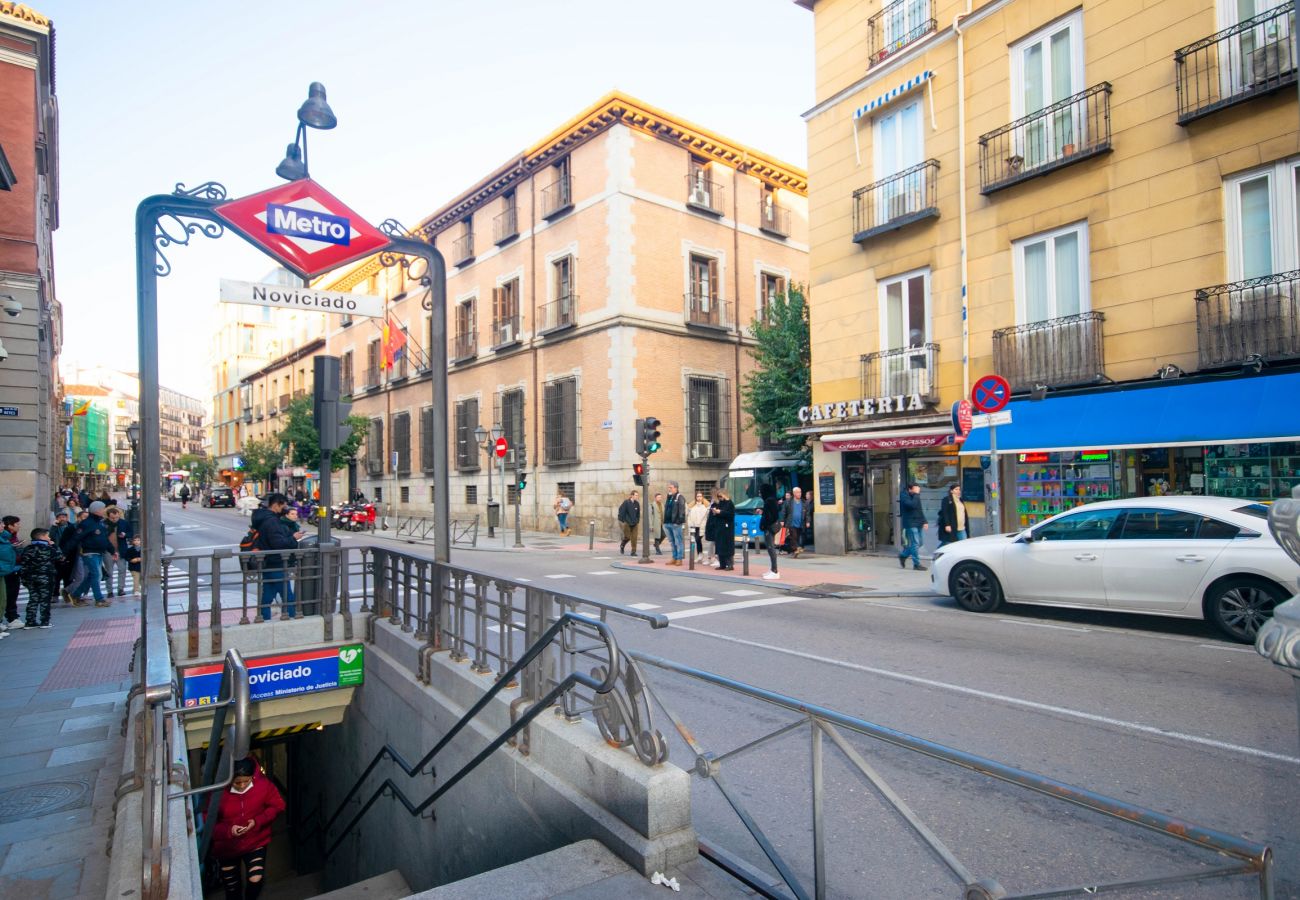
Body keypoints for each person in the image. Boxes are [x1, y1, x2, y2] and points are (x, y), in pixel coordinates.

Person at [210, 757, 285, 900]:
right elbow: (207, 821)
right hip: (227, 847)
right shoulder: (217, 792)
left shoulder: (263, 785)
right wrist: (229, 830)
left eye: (247, 781)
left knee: (255, 880)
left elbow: (278, 805)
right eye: (237, 782)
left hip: (255, 841)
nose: (242, 786)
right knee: (232, 888)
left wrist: (257, 821)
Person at [251, 494, 301, 621]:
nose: (285, 508)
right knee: (288, 597)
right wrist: (293, 538)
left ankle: (264, 619)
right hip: (276, 562)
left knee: (267, 596)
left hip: (268, 562)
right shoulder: (271, 521)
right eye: (283, 505)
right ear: (276, 505)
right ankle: (292, 620)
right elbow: (278, 543)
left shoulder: (264, 518)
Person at [72, 501, 114, 606]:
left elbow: (104, 539)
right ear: (97, 510)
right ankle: (99, 599)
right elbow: (75, 538)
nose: (104, 511)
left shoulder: (100, 523)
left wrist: (112, 550)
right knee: (96, 575)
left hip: (99, 552)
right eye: (103, 509)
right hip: (89, 552)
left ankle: (75, 595)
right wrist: (64, 552)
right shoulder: (86, 523)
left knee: (93, 576)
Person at [19, 528, 60, 630]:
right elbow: (60, 557)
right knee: (45, 599)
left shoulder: (28, 549)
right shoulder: (48, 549)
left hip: (30, 578)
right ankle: (44, 621)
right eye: (47, 536)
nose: (49, 538)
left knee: (33, 599)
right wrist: (54, 545)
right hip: (45, 577)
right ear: (42, 537)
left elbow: (23, 563)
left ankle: (30, 621)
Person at [898, 483, 928, 571]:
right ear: (910, 489)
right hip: (910, 523)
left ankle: (903, 555)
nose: (918, 491)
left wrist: (924, 521)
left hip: (918, 522)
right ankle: (916, 564)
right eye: (916, 489)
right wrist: (916, 494)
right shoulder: (904, 496)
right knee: (915, 543)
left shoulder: (916, 496)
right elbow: (912, 505)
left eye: (918, 489)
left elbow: (919, 508)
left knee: (920, 543)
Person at [104, 506, 132, 597]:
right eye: (112, 518)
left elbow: (131, 533)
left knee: (122, 570)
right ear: (108, 517)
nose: (115, 519)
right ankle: (109, 591)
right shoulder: (104, 524)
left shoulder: (123, 523)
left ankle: (121, 589)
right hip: (108, 551)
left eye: (117, 517)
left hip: (120, 550)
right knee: (109, 572)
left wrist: (125, 535)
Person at [1, 516, 24, 626]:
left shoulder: (9, 536)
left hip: (13, 568)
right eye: (17, 524)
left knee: (11, 594)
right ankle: (11, 617)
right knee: (7, 595)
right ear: (10, 526)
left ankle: (12, 616)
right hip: (7, 569)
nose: (19, 526)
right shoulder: (5, 538)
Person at [49, 510, 75, 602]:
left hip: (69, 554)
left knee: (68, 577)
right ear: (57, 519)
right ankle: (54, 595)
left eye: (64, 517)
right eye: (60, 517)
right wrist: (54, 526)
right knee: (56, 577)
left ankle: (67, 595)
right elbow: (50, 537)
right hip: (57, 554)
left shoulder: (71, 526)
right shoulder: (54, 528)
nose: (62, 519)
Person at [759, 484, 781, 580]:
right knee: (770, 548)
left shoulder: (769, 501)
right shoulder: (772, 500)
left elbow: (771, 516)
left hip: (769, 527)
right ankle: (772, 569)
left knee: (770, 548)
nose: (760, 493)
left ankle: (774, 570)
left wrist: (765, 524)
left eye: (761, 491)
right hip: (771, 526)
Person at [710, 488, 736, 570]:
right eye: (718, 496)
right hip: (719, 527)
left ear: (725, 495)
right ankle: (722, 564)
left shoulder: (730, 504)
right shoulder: (720, 503)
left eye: (720, 496)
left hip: (727, 528)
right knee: (719, 546)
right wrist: (714, 511)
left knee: (727, 546)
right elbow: (716, 509)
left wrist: (720, 512)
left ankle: (730, 564)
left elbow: (730, 515)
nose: (719, 498)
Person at [782, 487, 808, 559]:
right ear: (794, 493)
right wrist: (782, 520)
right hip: (791, 522)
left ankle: (794, 551)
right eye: (798, 492)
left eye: (800, 492)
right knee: (794, 536)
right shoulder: (788, 502)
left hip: (800, 523)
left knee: (797, 537)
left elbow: (807, 513)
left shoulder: (804, 502)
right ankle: (797, 548)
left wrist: (808, 521)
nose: (799, 493)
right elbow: (783, 511)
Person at [687, 491, 710, 563]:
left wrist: (703, 524)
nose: (699, 498)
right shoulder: (693, 506)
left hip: (702, 526)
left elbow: (706, 517)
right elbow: (689, 515)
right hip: (694, 526)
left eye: (700, 496)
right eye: (697, 496)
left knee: (697, 539)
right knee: (696, 541)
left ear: (702, 497)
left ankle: (701, 555)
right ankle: (700, 555)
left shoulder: (706, 506)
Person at [617, 491, 640, 556]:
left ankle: (633, 551)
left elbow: (638, 513)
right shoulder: (626, 502)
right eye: (636, 495)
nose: (637, 497)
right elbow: (621, 510)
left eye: (637, 495)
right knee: (627, 537)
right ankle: (622, 545)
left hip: (635, 523)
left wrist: (637, 520)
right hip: (627, 523)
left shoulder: (637, 503)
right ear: (632, 495)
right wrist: (623, 520)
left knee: (634, 538)